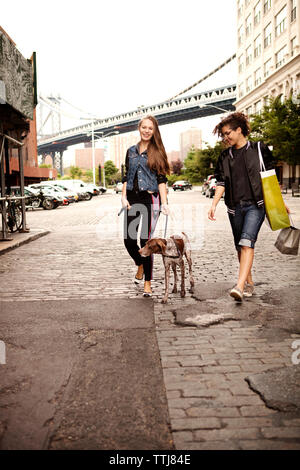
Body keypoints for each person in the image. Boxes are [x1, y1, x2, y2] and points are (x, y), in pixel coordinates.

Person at [208, 112, 290, 301]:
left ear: (239, 130)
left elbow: (270, 177)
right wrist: (213, 204)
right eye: (223, 135)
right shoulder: (224, 156)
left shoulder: (259, 149)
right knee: (240, 246)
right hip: (234, 207)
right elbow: (221, 182)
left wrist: (280, 203)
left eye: (228, 133)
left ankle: (239, 285)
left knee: (247, 242)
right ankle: (249, 282)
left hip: (256, 205)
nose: (226, 137)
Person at [121, 115, 170, 297]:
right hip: (132, 200)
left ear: (154, 130)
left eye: (151, 128)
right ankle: (139, 263)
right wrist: (123, 197)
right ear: (139, 128)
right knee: (128, 240)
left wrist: (164, 203)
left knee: (145, 242)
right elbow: (126, 176)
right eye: (144, 127)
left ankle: (147, 283)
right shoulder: (130, 151)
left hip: (149, 200)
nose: (147, 131)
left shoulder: (158, 152)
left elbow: (161, 180)